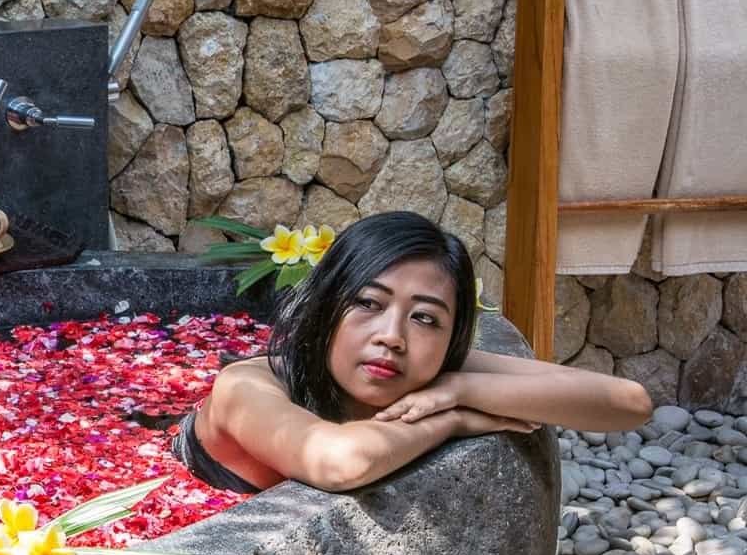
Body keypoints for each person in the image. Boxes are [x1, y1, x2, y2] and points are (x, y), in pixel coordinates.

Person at [181, 211, 654, 494]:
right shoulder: (246, 386)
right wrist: (455, 418)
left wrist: (461, 387)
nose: (393, 335)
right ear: (326, 306)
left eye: (425, 317)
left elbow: (629, 403)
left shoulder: (434, 367)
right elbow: (340, 461)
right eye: (368, 303)